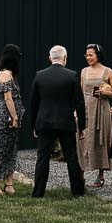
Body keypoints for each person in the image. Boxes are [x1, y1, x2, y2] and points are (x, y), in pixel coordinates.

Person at [24, 45, 86, 198]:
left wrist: (33, 125)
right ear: (65, 58)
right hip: (66, 122)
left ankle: (38, 192)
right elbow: (80, 102)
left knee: (42, 157)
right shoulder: (72, 76)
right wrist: (82, 126)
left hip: (44, 122)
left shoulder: (40, 76)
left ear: (50, 58)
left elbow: (33, 103)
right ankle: (77, 191)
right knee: (71, 157)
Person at [77, 43, 112, 187]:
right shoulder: (83, 71)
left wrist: (107, 93)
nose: (88, 57)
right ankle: (80, 172)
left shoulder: (108, 71)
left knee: (101, 139)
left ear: (98, 55)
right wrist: (77, 110)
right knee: (83, 139)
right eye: (86, 55)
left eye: (91, 55)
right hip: (87, 108)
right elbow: (81, 93)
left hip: (102, 108)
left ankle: (101, 174)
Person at [0, 44, 24, 196]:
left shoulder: (10, 74)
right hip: (7, 118)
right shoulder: (5, 74)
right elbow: (8, 98)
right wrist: (15, 117)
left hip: (13, 118)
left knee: (12, 151)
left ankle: (9, 183)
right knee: (2, 151)